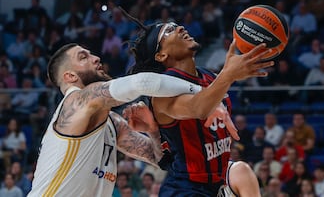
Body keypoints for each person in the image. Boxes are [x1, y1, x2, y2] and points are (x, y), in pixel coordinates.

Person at [27, 42, 216, 196]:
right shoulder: (76, 101)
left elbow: (162, 161)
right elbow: (141, 83)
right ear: (70, 76)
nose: (96, 58)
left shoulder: (113, 124)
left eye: (91, 53)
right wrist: (207, 93)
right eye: (83, 57)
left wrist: (153, 132)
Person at [126, 21, 271, 196]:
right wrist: (229, 74)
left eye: (176, 25)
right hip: (186, 188)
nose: (180, 28)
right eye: (169, 31)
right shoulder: (161, 94)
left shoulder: (210, 77)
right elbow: (198, 108)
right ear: (161, 55)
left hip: (217, 184)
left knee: (242, 171)